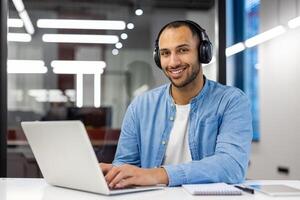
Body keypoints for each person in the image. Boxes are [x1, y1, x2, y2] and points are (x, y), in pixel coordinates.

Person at [100, 20, 253, 189]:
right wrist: (114, 173)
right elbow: (126, 164)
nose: (173, 62)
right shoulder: (141, 106)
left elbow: (231, 166)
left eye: (183, 50)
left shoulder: (231, 101)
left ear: (203, 52)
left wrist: (158, 174)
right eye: (165, 53)